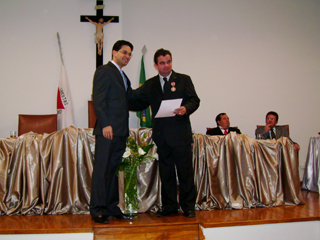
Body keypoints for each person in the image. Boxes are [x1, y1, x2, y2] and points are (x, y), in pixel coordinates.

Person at [131, 48, 200, 218]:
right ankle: (169, 207)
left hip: (180, 135)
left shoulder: (184, 80)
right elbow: (139, 103)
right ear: (156, 65)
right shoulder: (150, 84)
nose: (166, 66)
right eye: (162, 63)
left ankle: (188, 207)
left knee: (185, 173)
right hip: (162, 136)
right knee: (166, 173)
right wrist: (121, 100)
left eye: (168, 62)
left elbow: (195, 100)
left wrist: (186, 108)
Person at [90, 40, 134, 224]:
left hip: (120, 131)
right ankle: (98, 209)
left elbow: (130, 100)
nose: (127, 56)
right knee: (102, 170)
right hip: (107, 130)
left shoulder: (124, 77)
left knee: (113, 170)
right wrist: (106, 124)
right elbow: (98, 100)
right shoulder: (104, 71)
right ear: (114, 52)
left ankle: (111, 207)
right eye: (124, 52)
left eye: (130, 54)